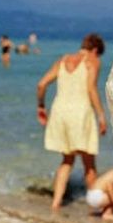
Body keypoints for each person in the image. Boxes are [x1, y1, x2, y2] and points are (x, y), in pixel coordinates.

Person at [37, 33, 107, 211]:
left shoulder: (62, 60)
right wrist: (101, 115)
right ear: (95, 50)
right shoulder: (93, 61)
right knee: (89, 163)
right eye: (98, 54)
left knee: (67, 160)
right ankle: (96, 206)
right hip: (80, 113)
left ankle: (56, 203)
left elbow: (42, 84)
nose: (97, 58)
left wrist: (41, 107)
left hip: (60, 113)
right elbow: (91, 89)